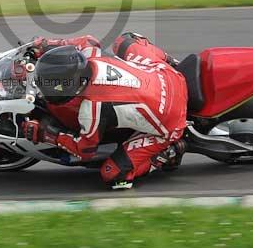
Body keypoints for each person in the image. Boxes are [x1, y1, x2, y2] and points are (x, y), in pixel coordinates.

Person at [21, 33, 188, 189]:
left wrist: (47, 135)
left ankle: (167, 153)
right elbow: (89, 41)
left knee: (112, 175)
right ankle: (174, 63)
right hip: (165, 72)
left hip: (171, 119)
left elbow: (84, 150)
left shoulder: (92, 108)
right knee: (125, 39)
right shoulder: (90, 58)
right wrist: (47, 45)